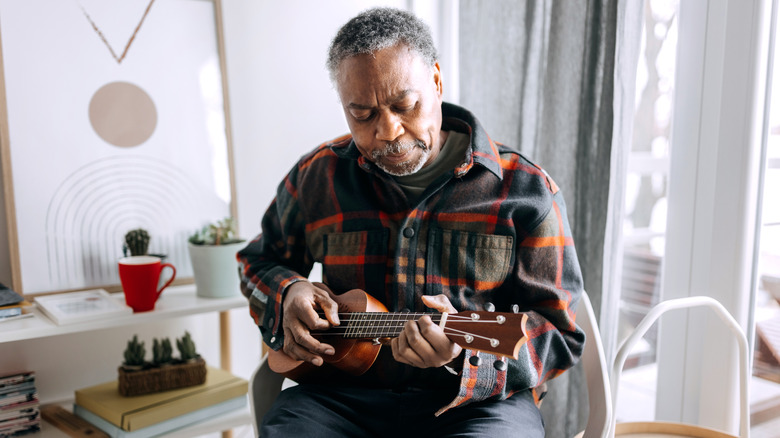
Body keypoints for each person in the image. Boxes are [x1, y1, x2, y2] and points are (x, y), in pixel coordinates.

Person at [237, 7, 585, 437]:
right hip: (338, 397)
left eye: (405, 104)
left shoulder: (525, 190)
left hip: (476, 404)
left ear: (436, 82)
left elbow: (559, 332)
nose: (387, 130)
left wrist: (463, 357)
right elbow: (256, 261)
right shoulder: (317, 176)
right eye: (362, 114)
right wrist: (288, 291)